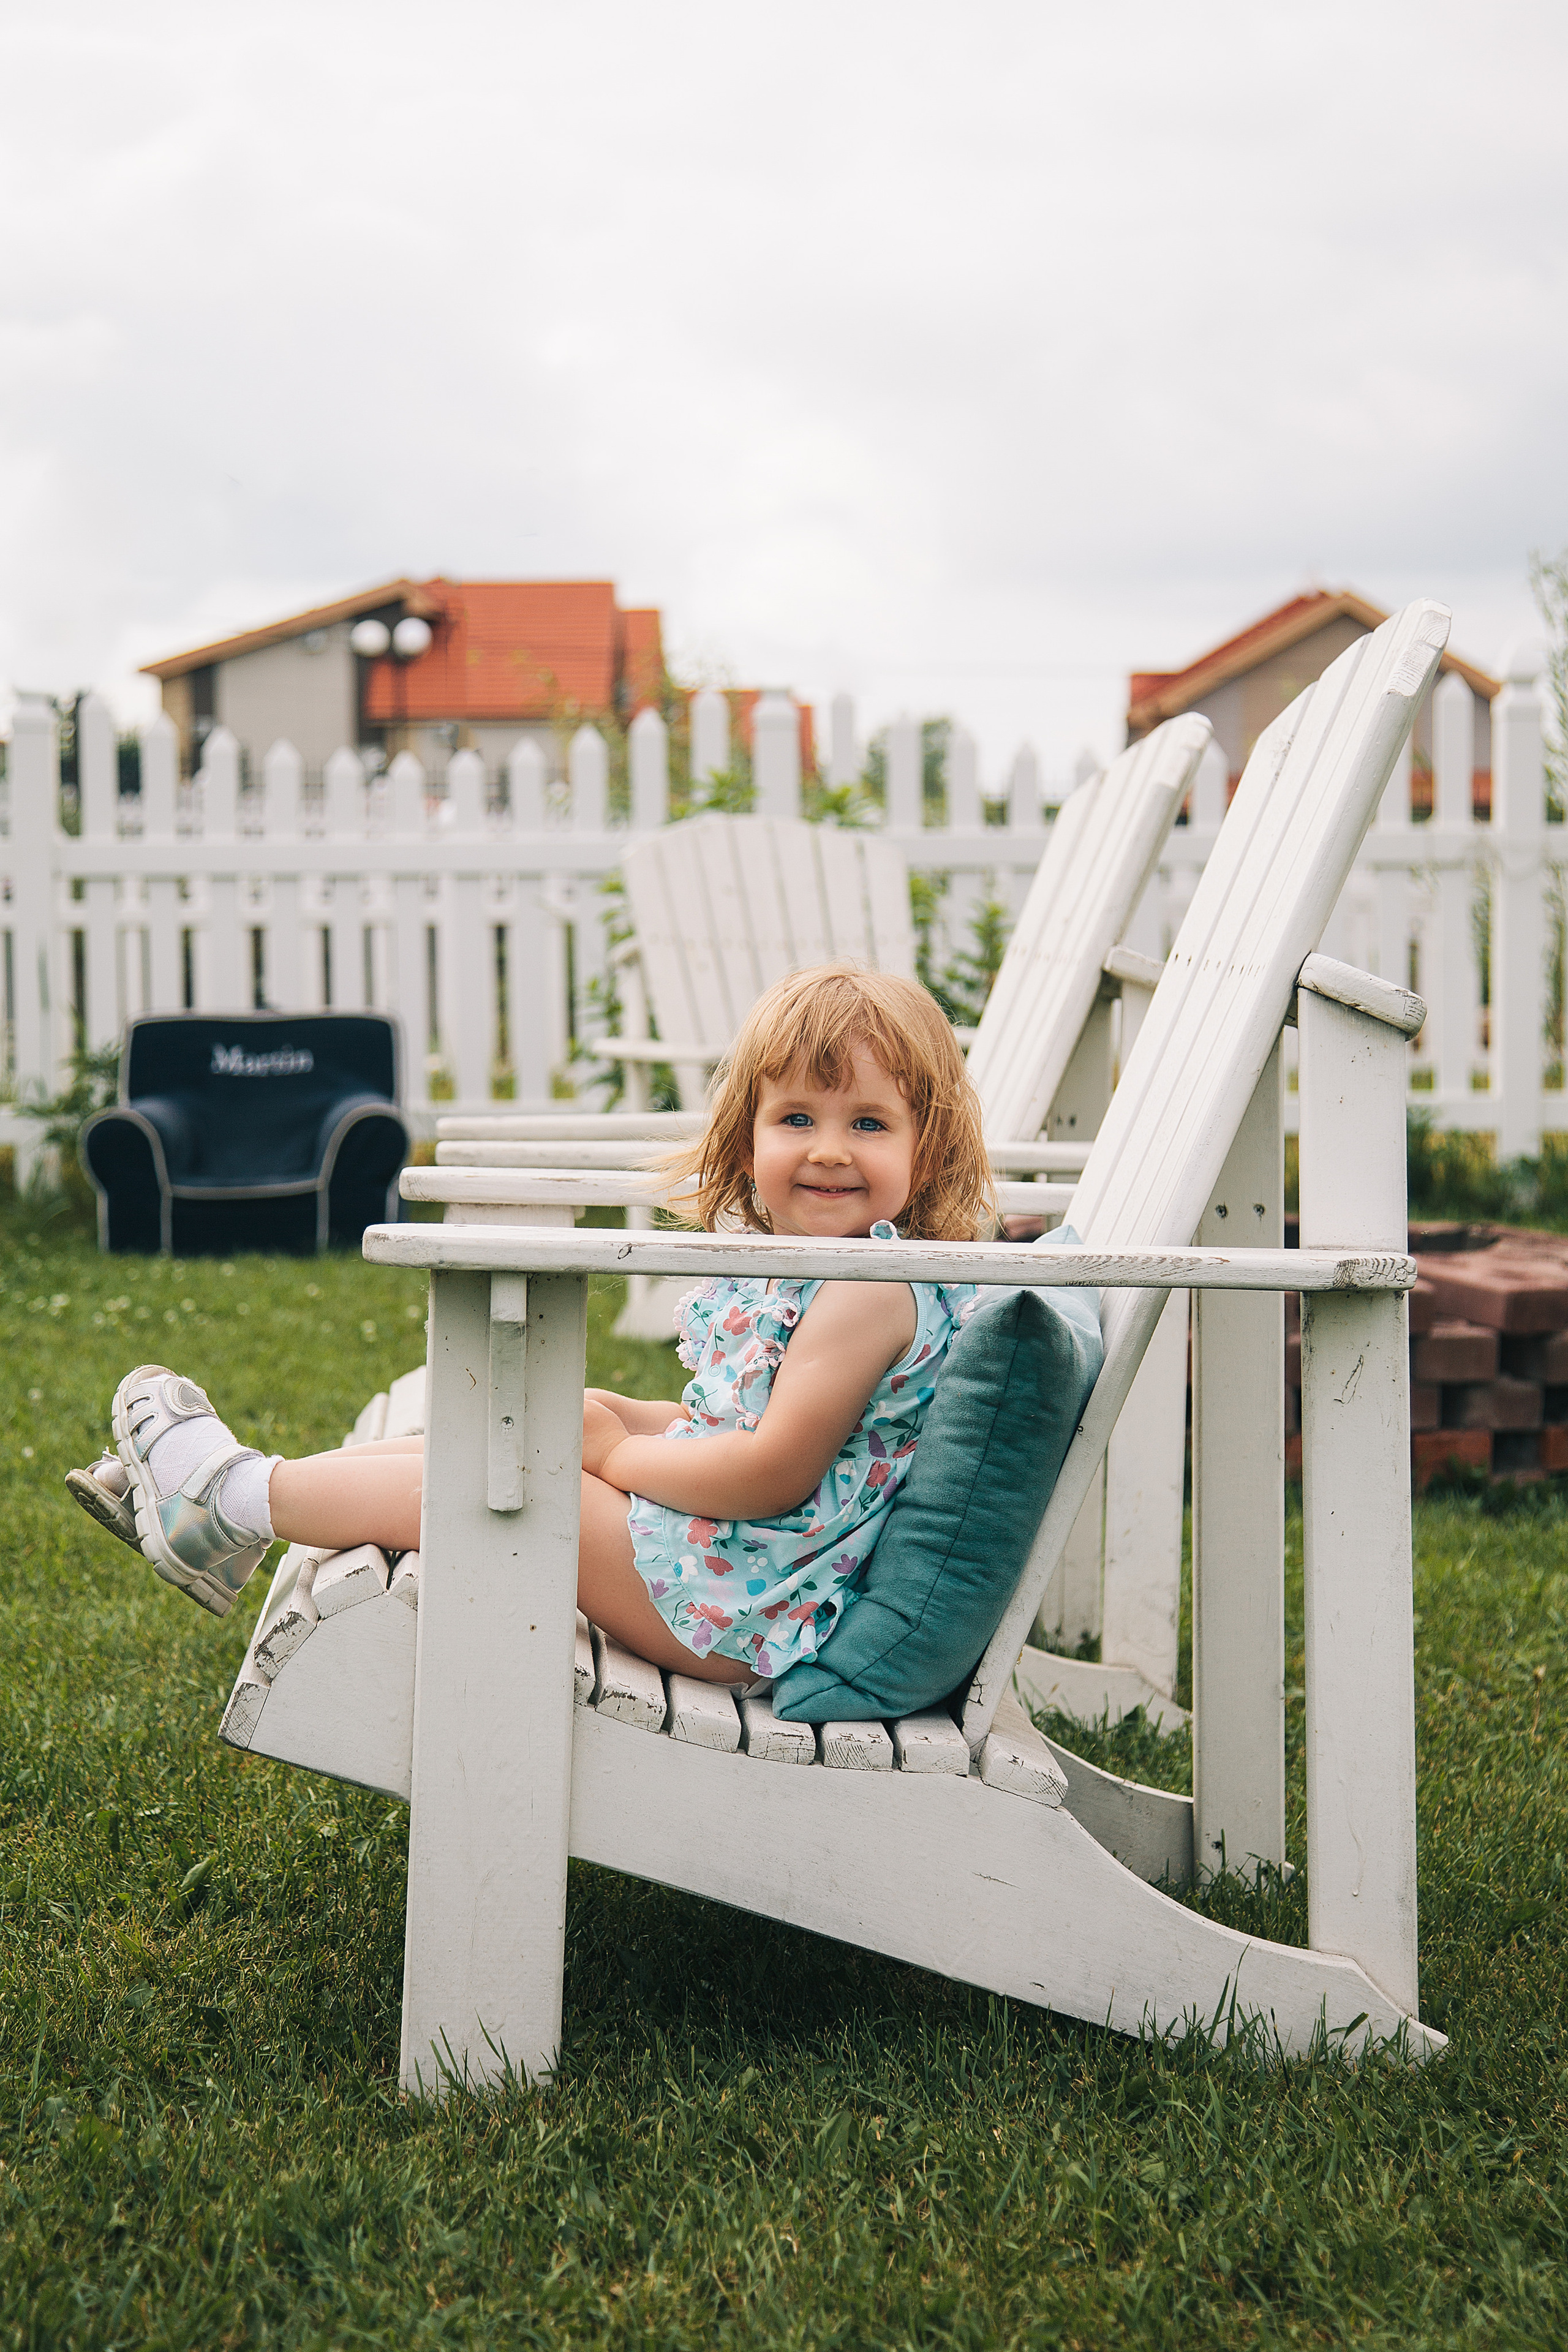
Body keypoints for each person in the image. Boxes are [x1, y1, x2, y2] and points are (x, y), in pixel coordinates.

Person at [67, 964, 993, 1688]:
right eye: (798, 1116)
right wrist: (625, 1418)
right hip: (733, 1578)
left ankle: (228, 1503)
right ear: (750, 1140)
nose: (830, 1148)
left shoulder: (871, 1289)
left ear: (928, 1144)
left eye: (868, 1122)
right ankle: (236, 1497)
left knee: (503, 1482)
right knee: (517, 1433)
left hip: (736, 1609)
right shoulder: (827, 1273)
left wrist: (612, 1457)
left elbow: (770, 1471)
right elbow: (737, 1427)